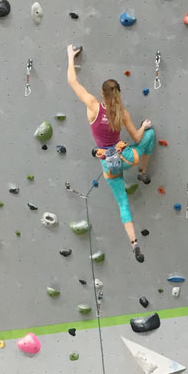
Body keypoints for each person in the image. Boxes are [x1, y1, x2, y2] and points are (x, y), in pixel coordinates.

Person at [66, 44, 155, 264]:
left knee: (123, 204)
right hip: (126, 157)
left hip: (108, 164)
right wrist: (143, 126)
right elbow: (136, 137)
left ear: (102, 94)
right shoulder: (122, 113)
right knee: (150, 136)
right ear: (119, 94)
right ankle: (142, 172)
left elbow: (72, 82)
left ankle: (134, 242)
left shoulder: (93, 106)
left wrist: (70, 57)